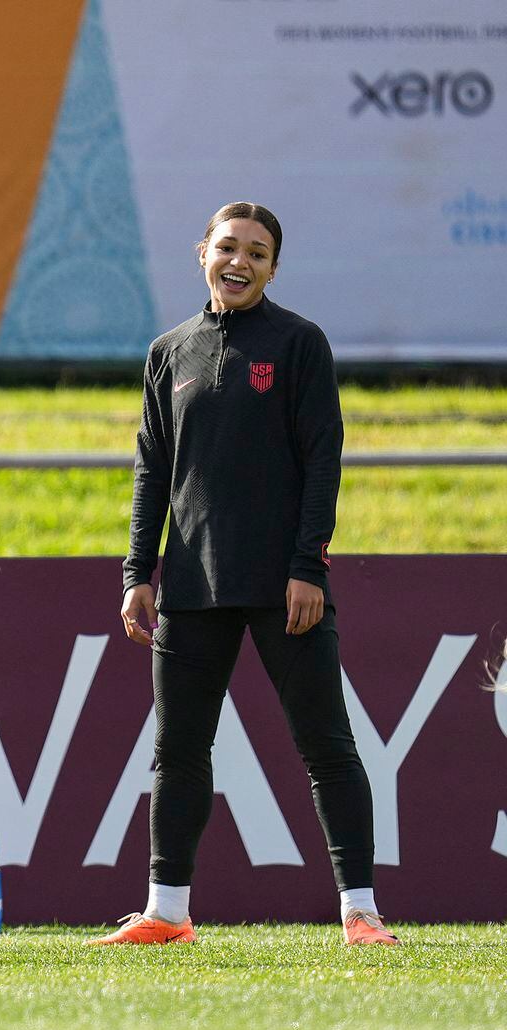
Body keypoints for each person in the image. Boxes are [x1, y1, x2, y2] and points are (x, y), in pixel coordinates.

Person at [89, 202, 398, 948]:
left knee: (327, 748)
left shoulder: (299, 345)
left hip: (283, 587)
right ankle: (167, 912)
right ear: (202, 252)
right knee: (179, 751)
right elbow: (152, 470)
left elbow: (323, 461)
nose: (240, 261)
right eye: (228, 246)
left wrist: (306, 568)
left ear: (273, 267)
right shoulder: (170, 351)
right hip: (194, 587)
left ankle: (361, 912)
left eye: (257, 252)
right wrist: (139, 571)